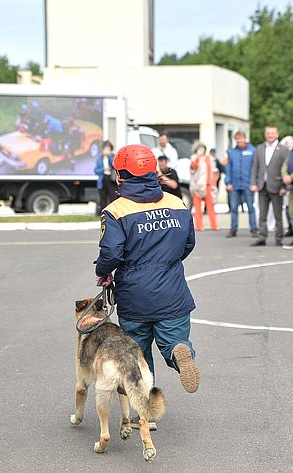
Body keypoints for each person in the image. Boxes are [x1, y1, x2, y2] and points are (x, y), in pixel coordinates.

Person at [95, 144, 200, 393]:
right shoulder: (176, 203)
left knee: (138, 355)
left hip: (134, 295)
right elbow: (188, 243)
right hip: (173, 292)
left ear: (122, 176)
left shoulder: (116, 210)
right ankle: (177, 351)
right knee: (174, 337)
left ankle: (145, 412)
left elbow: (110, 254)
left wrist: (103, 271)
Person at [250, 126, 289, 246]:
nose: (270, 135)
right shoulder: (260, 148)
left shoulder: (283, 149)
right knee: (262, 214)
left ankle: (279, 238)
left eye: (272, 133)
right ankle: (262, 237)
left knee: (278, 214)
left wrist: (284, 187)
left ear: (277, 134)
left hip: (277, 186)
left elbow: (286, 168)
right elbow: (255, 167)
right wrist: (253, 183)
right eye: (268, 133)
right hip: (262, 186)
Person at [224, 131, 258, 238]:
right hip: (235, 184)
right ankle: (233, 229)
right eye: (237, 139)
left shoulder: (252, 151)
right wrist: (228, 182)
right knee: (234, 208)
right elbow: (228, 168)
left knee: (251, 208)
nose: (239, 141)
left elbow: (255, 168)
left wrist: (254, 182)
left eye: (240, 138)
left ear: (245, 138)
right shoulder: (232, 152)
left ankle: (254, 229)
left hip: (248, 184)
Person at [189, 144, 218, 231]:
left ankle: (214, 225)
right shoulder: (194, 158)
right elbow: (192, 169)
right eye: (199, 149)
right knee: (197, 207)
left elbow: (213, 172)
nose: (201, 151)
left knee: (210, 206)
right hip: (197, 185)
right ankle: (199, 226)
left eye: (203, 149)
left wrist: (214, 184)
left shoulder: (209, 159)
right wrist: (197, 159)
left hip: (207, 185)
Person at [93, 140, 117, 213]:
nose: (106, 151)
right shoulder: (100, 159)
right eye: (105, 149)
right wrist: (103, 169)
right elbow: (96, 170)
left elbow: (114, 165)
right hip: (103, 179)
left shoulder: (113, 157)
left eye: (108, 149)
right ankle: (103, 213)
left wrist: (109, 156)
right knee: (103, 198)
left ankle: (113, 213)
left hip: (111, 179)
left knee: (112, 196)